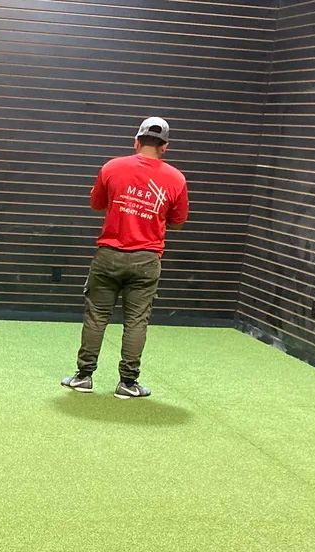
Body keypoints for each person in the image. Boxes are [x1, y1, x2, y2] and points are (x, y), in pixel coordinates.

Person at [62, 117, 189, 399]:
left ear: (136, 141)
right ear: (165, 147)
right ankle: (127, 384)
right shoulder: (177, 179)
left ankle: (83, 378)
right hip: (146, 260)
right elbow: (178, 222)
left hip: (108, 256)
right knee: (136, 321)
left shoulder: (112, 167)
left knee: (96, 317)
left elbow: (96, 204)